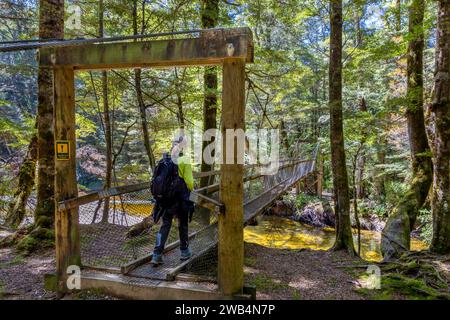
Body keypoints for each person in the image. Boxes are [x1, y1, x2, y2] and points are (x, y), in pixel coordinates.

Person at [150, 135, 194, 266]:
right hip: (180, 199)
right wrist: (192, 189)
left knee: (165, 225)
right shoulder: (184, 159)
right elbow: (190, 183)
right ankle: (184, 252)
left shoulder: (164, 160)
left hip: (165, 200)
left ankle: (157, 254)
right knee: (183, 224)